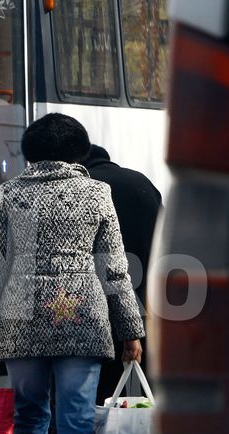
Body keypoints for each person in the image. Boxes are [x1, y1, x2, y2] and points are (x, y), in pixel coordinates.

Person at [0, 113, 145, 434]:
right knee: (77, 417)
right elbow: (115, 270)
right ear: (79, 151)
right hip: (83, 320)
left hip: (21, 321)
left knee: (29, 416)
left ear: (31, 152)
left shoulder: (11, 194)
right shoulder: (98, 194)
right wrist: (130, 330)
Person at [82, 144, 162, 405]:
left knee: (104, 385)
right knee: (145, 375)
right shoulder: (143, 183)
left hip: (100, 298)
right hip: (147, 294)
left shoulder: (87, 187)